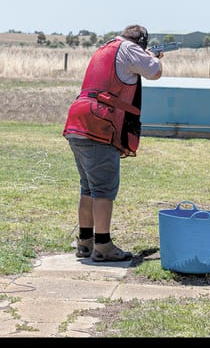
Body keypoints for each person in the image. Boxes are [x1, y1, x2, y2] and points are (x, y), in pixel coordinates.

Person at [63, 24, 163, 262]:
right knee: (104, 191)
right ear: (141, 42)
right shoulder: (130, 48)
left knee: (88, 188)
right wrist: (153, 57)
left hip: (78, 120)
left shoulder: (105, 48)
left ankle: (85, 242)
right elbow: (154, 72)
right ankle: (103, 245)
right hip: (99, 124)